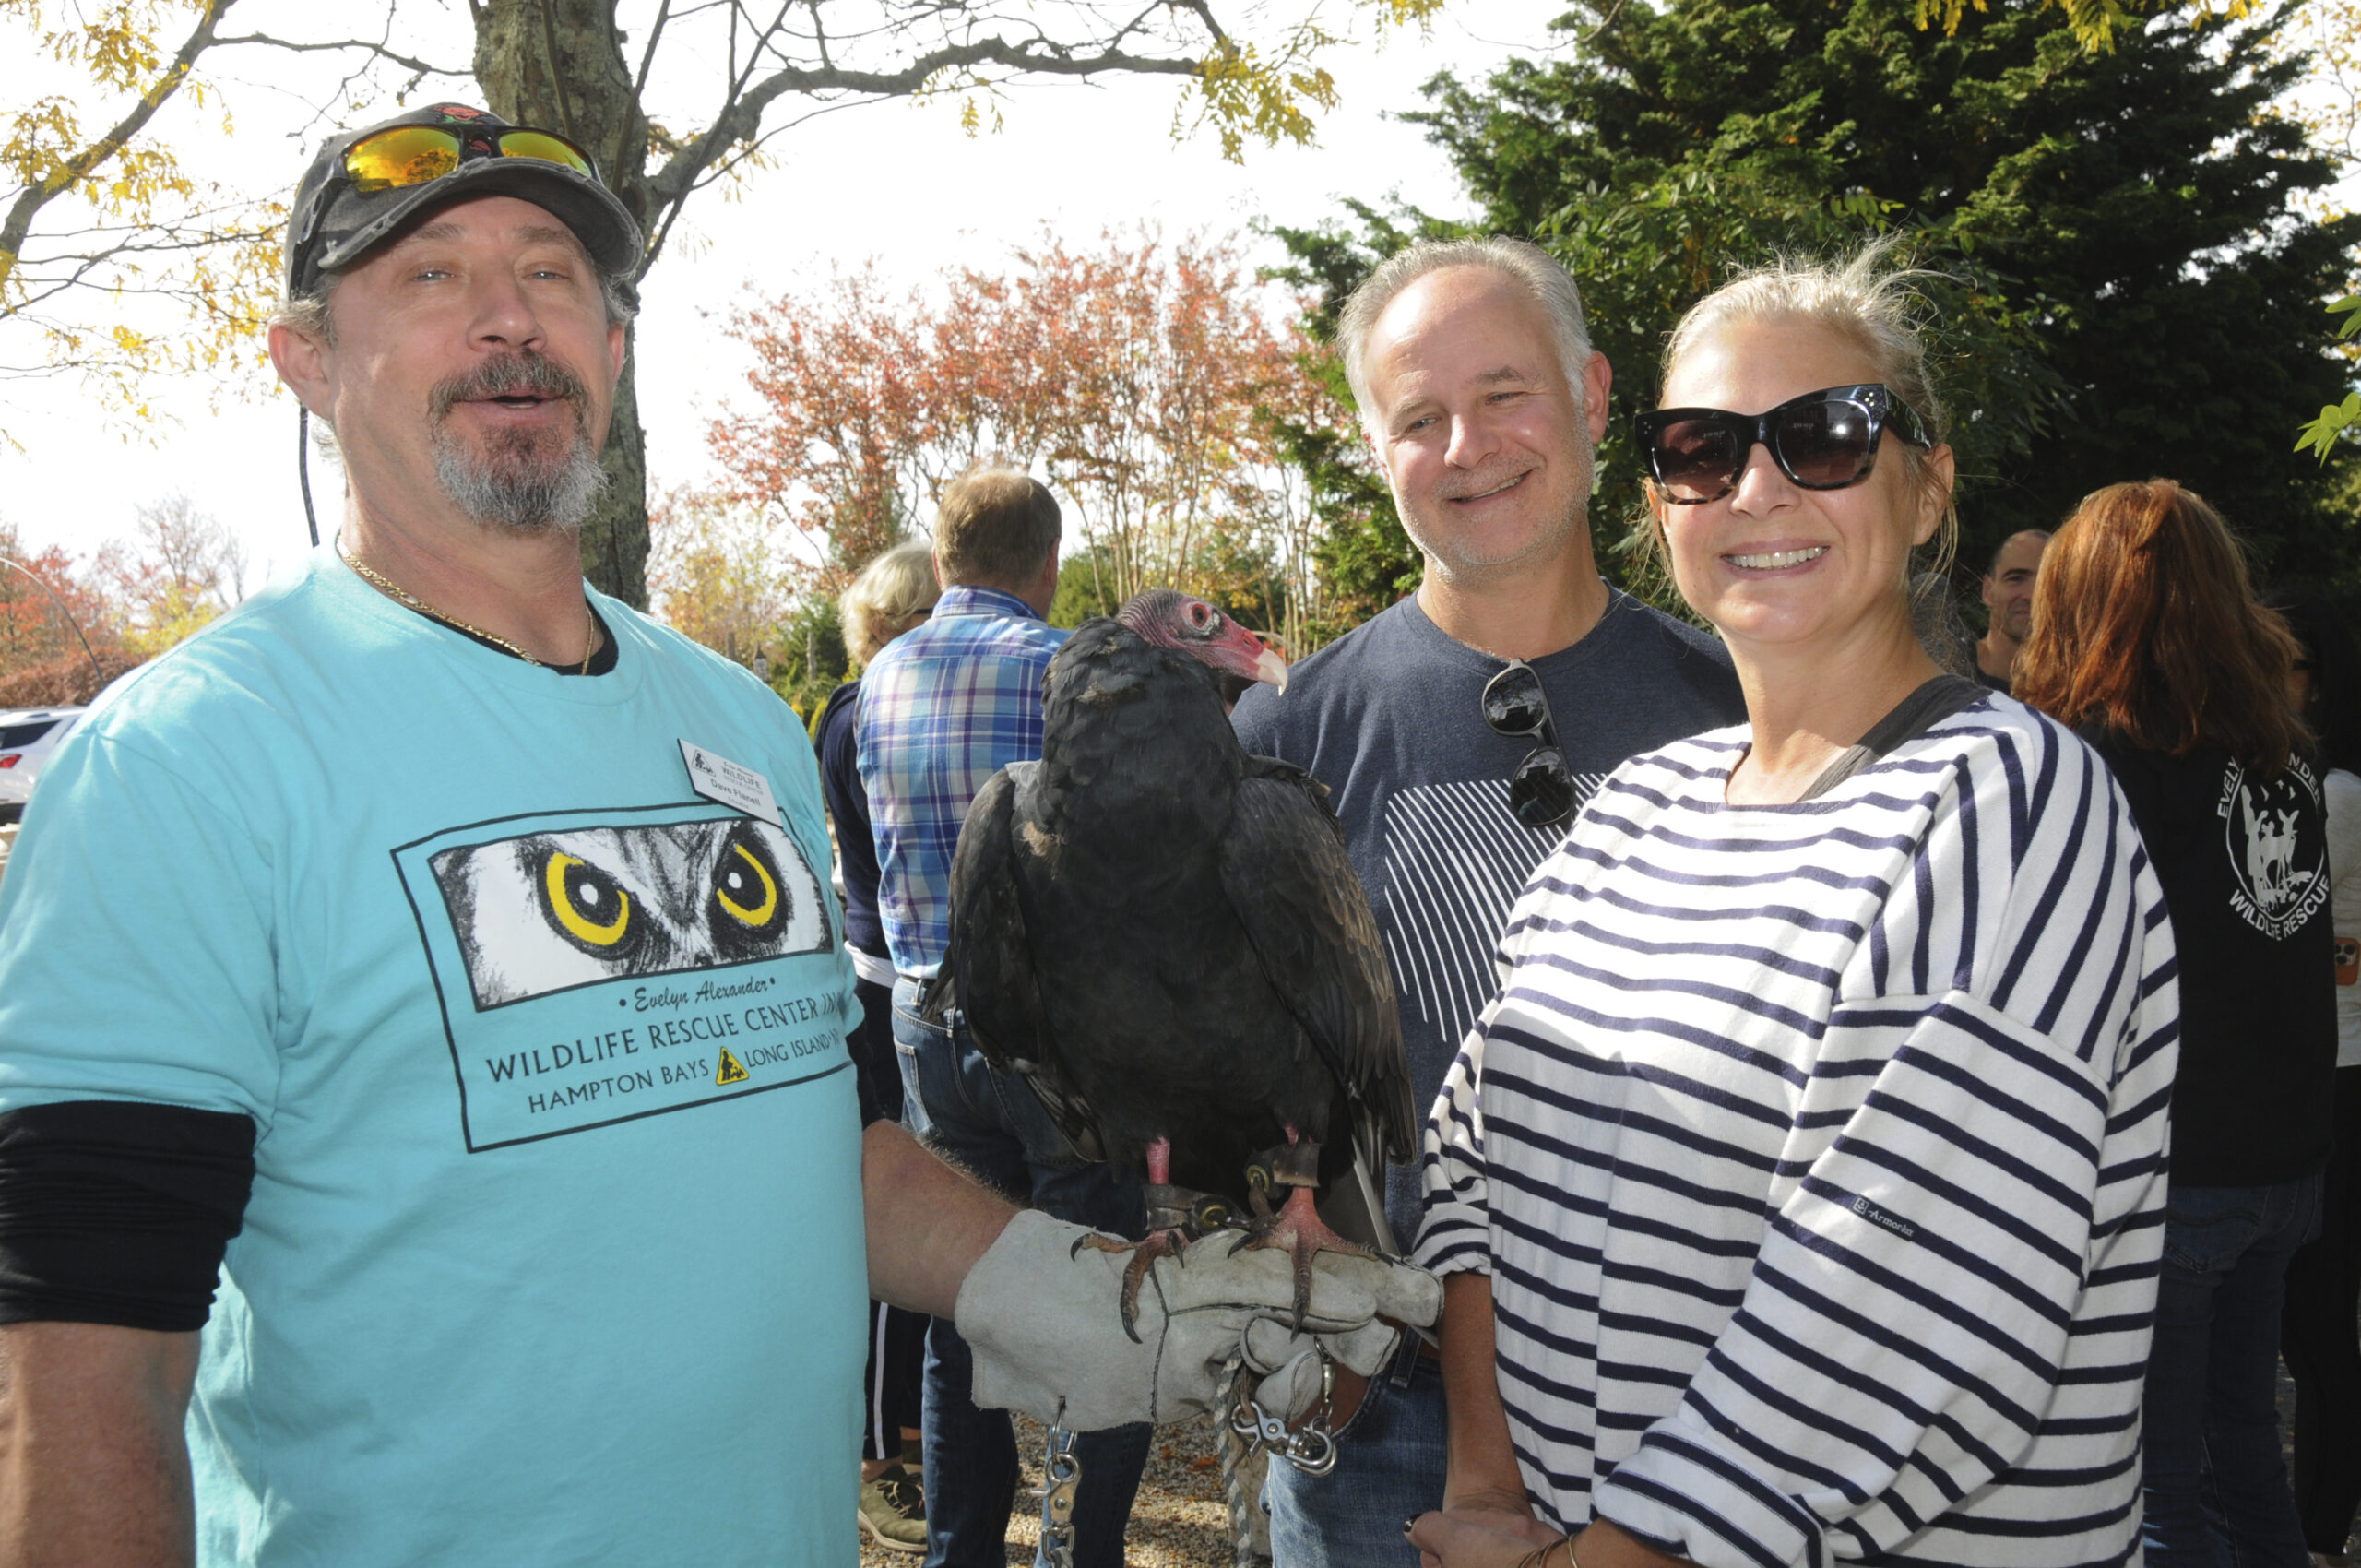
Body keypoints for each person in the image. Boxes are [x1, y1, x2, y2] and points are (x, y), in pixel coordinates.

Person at [0, 103, 1440, 1568]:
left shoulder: (736, 721)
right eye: (431, 277)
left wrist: (1043, 1281)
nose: (509, 319)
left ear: (612, 353)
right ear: (305, 360)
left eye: (553, 276)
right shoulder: (182, 766)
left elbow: (805, 1139)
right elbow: (84, 1370)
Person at [1409, 250, 2178, 1568]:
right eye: (1702, 449)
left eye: (1825, 434)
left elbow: (1891, 1318)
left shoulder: (2010, 801)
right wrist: (1485, 1485)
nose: (1758, 487)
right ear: (1660, 505)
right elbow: (1473, 1162)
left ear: (1928, 489)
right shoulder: (1630, 815)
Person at [1228, 237, 1746, 1567]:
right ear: (1373, 446)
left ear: (1591, 391)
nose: (1470, 445)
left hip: (1705, 1408)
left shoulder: (1742, 705)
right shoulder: (1283, 736)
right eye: (1419, 417)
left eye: (1507, 393)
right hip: (1382, 1423)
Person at [2015, 479, 2333, 1568]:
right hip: (2280, 1160)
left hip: (2172, 1173)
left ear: (2080, 597)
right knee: (2244, 1448)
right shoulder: (2279, 757)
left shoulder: (2100, 760)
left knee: (2159, 1488)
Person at [857, 469, 1153, 1568]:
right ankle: (1077, 1556)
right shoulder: (1068, 673)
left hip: (926, 1024)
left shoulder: (879, 674)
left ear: (942, 562)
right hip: (1057, 1035)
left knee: (957, 1302)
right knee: (1104, 1295)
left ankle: (960, 1550)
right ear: (1047, 564)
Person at [817, 540, 941, 1553]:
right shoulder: (867, 713)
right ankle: (875, 1457)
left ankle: (908, 1436)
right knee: (892, 1236)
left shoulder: (867, 703)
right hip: (881, 994)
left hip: (902, 991)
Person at [2272, 588, 2361, 1568]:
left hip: (2336, 1072)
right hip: (2327, 1064)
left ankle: (2317, 1528)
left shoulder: (2328, 793)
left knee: (2319, 1328)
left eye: (2279, 667)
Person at [1973, 527, 2049, 690]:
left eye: (2047, 581)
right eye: (2016, 579)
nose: (2032, 595)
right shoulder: (1945, 674)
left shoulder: (2080, 697)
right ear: (1988, 590)